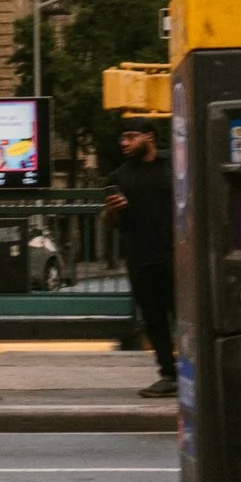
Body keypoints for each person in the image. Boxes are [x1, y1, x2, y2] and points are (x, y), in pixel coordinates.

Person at [104, 120, 177, 398]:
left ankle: (195, 372)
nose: (124, 143)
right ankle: (168, 374)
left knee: (186, 318)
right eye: (122, 138)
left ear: (150, 137)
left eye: (130, 137)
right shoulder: (119, 177)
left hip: (175, 256)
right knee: (154, 320)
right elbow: (109, 222)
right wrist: (112, 210)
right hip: (140, 258)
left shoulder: (175, 165)